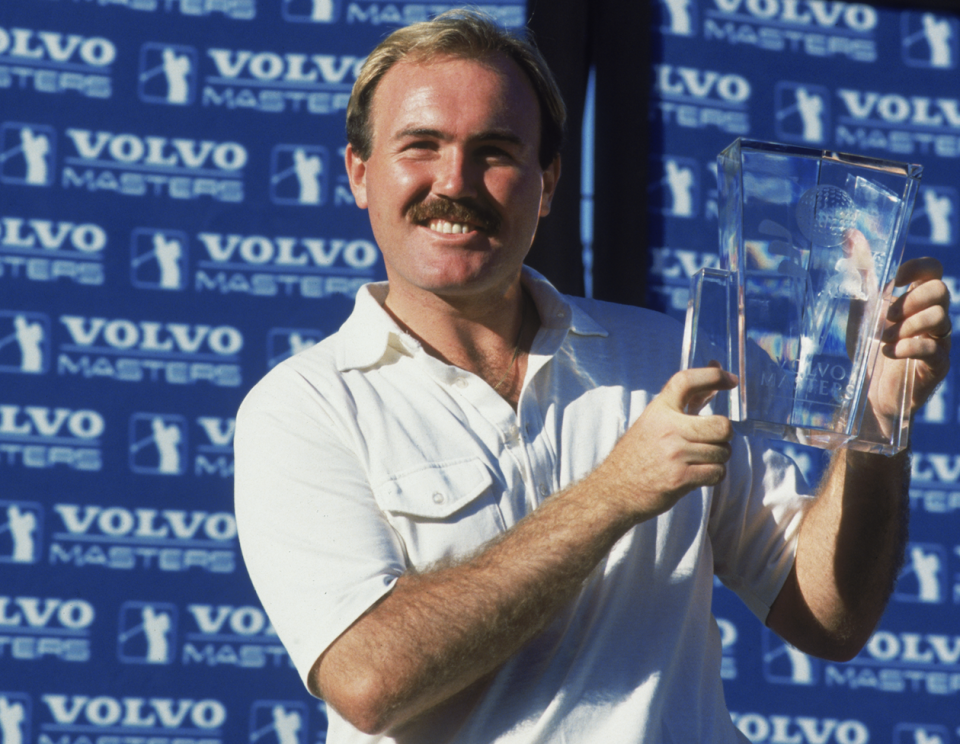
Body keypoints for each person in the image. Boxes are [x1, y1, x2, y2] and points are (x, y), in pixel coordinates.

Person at [234, 10, 951, 744]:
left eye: (495, 150)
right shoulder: (303, 408)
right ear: (359, 173)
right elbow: (368, 679)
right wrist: (617, 492)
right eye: (421, 145)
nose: (455, 180)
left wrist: (871, 424)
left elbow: (829, 617)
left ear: (547, 184)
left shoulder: (668, 357)